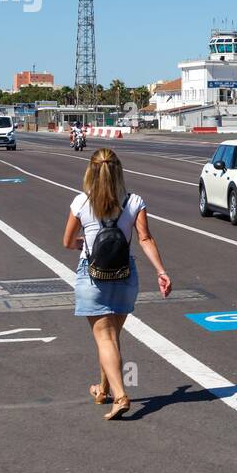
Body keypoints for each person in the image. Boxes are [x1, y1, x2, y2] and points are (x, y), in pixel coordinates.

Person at [62, 148, 170, 421]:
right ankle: (103, 390)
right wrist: (161, 271)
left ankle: (120, 396)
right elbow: (145, 239)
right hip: (125, 275)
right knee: (111, 337)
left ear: (90, 172)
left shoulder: (81, 203)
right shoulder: (134, 201)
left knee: (104, 337)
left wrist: (84, 244)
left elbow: (67, 241)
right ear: (119, 171)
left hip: (92, 275)